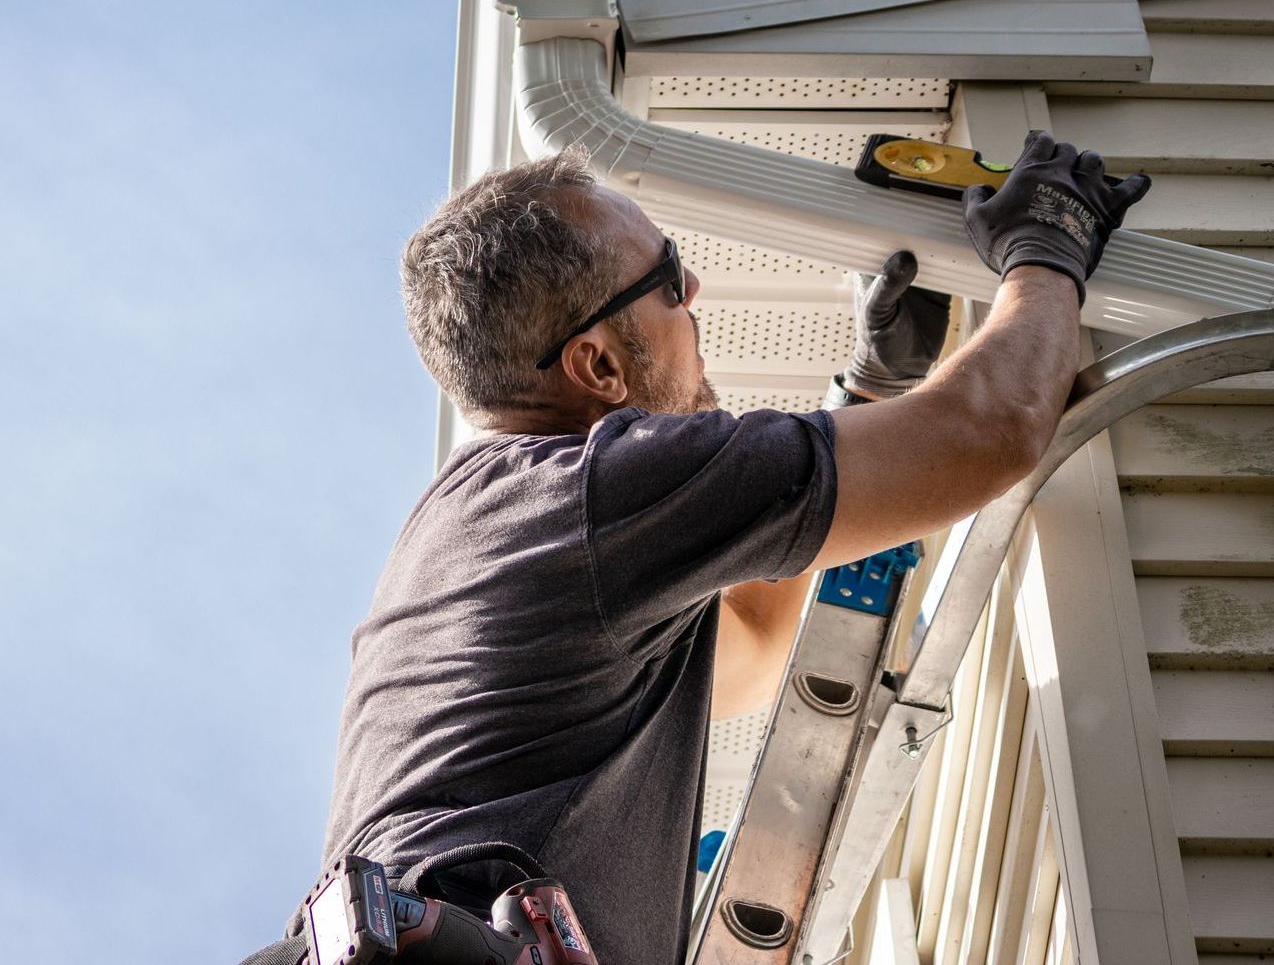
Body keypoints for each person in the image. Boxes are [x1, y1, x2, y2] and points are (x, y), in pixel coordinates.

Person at [249, 131, 1148, 965]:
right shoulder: (595, 488)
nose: (698, 295)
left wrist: (873, 390)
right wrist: (1049, 247)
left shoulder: (497, 524)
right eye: (671, 278)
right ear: (598, 365)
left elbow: (745, 656)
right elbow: (991, 429)